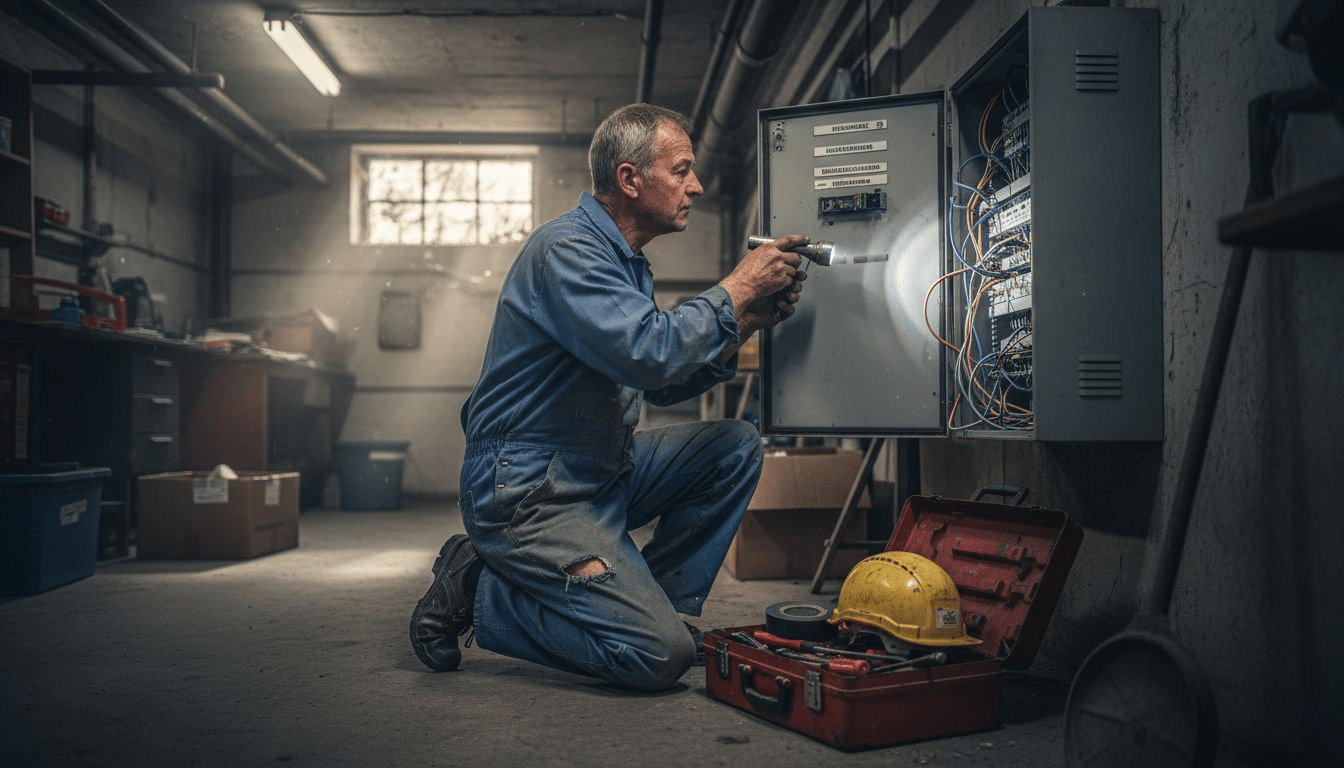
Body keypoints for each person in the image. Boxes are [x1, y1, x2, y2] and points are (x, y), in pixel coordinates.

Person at [409, 103, 808, 691]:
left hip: (596, 469)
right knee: (656, 658)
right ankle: (478, 587)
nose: (695, 186)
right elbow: (650, 352)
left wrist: (745, 323)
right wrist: (738, 287)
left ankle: (650, 606)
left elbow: (661, 379)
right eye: (681, 170)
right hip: (530, 490)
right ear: (629, 179)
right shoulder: (566, 251)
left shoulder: (624, 262)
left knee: (734, 446)